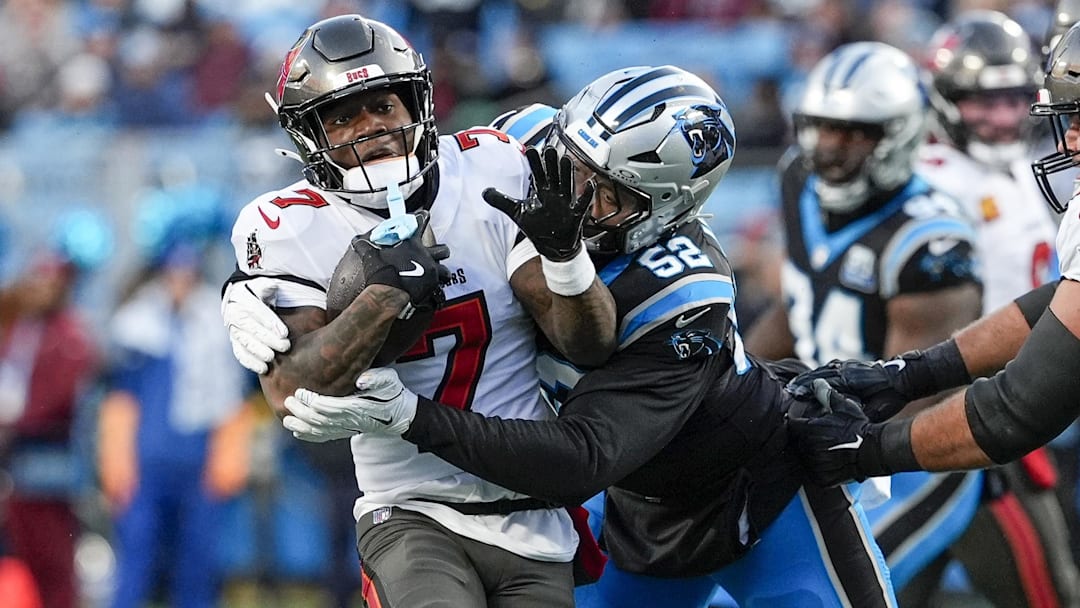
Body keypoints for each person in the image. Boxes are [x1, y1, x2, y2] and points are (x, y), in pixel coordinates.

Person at [277, 65, 898, 608]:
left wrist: (414, 417)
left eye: (605, 194)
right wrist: (259, 284)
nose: (571, 197)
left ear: (665, 207)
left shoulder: (682, 291)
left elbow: (580, 457)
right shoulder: (520, 149)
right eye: (572, 167)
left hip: (760, 503)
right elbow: (387, 180)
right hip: (633, 508)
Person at [221, 13, 616, 608]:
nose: (371, 127)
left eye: (383, 105)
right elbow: (294, 391)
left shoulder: (490, 168)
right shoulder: (291, 223)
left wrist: (567, 260)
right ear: (310, 136)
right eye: (343, 116)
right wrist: (384, 295)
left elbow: (587, 343)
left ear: (417, 103)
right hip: (408, 507)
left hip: (531, 506)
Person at [783, 16, 1080, 535]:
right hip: (982, 407)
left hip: (995, 417)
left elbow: (1022, 404)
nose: (1069, 140)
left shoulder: (930, 217)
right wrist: (910, 372)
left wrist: (868, 449)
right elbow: (1061, 299)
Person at [741, 40, 1004, 607]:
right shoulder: (797, 181)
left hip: (907, 455)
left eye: (852, 133)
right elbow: (800, 303)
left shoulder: (930, 239)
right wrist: (737, 379)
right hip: (814, 433)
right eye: (820, 128)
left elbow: (916, 392)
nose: (829, 148)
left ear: (900, 134)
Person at [918, 11, 1080, 606]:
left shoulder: (1030, 165)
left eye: (1015, 99)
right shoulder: (932, 179)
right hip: (978, 400)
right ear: (945, 99)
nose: (1003, 117)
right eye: (981, 102)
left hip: (1043, 380)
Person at [98, 241, 256, 608]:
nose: (180, 282)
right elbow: (119, 405)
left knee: (198, 568)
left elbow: (232, 403)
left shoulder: (215, 329)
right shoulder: (136, 328)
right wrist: (116, 466)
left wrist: (229, 462)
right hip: (146, 469)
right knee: (135, 563)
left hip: (199, 467)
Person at [0, 217, 106, 608]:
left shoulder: (70, 335)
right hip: (17, 460)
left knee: (54, 562)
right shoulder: (21, 326)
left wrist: (14, 423)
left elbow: (55, 400)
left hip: (48, 461)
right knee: (25, 558)